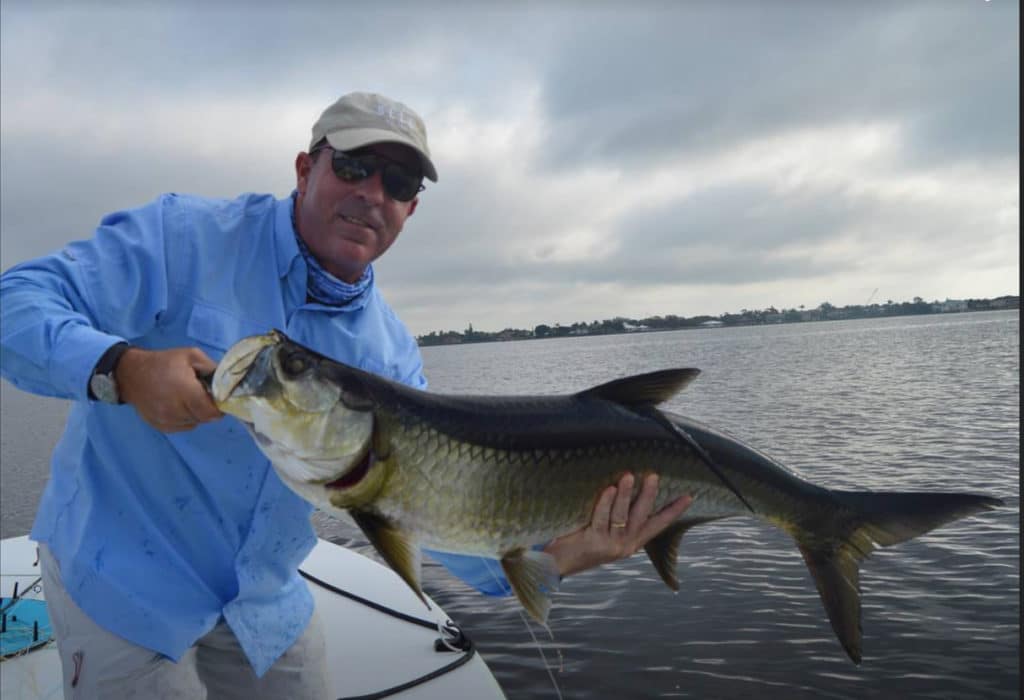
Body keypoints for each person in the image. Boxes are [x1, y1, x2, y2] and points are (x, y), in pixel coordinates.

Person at [0, 92, 694, 698]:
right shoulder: (184, 239)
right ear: (305, 169)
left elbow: (439, 518)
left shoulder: (388, 353)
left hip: (263, 601)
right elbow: (15, 305)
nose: (373, 195)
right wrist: (120, 368)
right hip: (120, 579)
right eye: (354, 167)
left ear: (410, 211)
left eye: (397, 183)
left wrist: (561, 557)